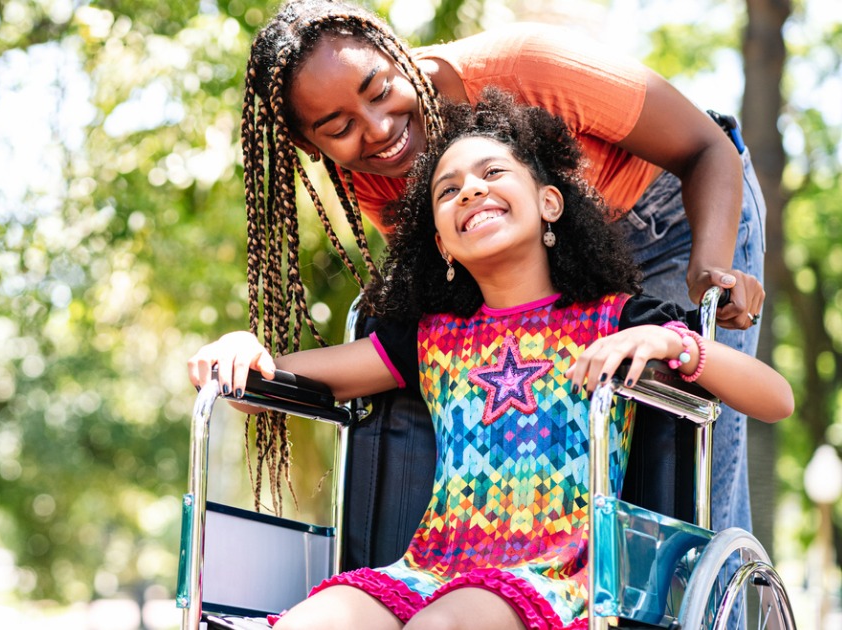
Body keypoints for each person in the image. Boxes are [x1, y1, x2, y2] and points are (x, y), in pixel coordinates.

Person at [192, 92, 791, 630]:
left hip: (560, 577)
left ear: (549, 201)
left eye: (492, 173)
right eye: (447, 190)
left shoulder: (618, 319)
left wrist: (675, 344)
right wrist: (246, 351)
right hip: (427, 571)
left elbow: (776, 399)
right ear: (441, 243)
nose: (471, 190)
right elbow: (293, 375)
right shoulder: (431, 340)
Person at [240, 0, 767, 534]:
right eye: (338, 127)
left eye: (379, 92)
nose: (377, 129)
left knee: (689, 465)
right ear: (310, 145)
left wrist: (708, 272)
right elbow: (465, 289)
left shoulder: (523, 65)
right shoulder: (376, 174)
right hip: (554, 262)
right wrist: (255, 362)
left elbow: (707, 147)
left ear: (398, 55)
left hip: (676, 215)